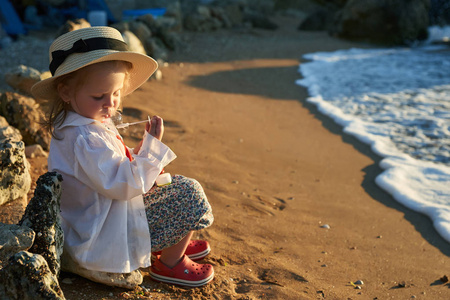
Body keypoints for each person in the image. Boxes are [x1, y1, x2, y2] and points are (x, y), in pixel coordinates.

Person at [31, 26, 214, 288]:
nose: (111, 103)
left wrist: (137, 154)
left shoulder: (77, 123)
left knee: (169, 182)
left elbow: (108, 170)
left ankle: (174, 237)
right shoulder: (87, 138)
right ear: (66, 92)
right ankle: (171, 262)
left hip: (93, 215)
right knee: (188, 192)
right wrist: (151, 150)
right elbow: (124, 186)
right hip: (103, 231)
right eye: (99, 96)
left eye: (116, 94)